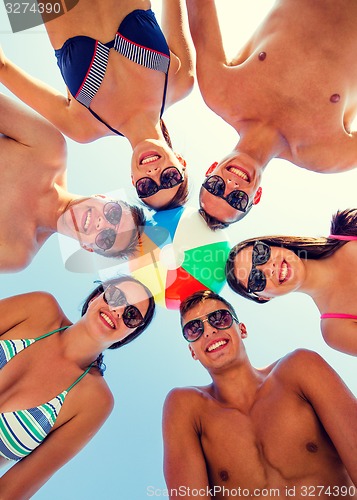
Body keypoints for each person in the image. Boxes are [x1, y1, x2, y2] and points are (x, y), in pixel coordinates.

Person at [0, 0, 195, 210]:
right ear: (181, 162)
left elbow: (4, 68)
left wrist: (23, 9)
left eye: (146, 187)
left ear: (133, 179)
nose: (154, 174)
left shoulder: (83, 127)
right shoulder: (181, 80)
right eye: (169, 178)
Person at [163, 290, 357, 499]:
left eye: (219, 318)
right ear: (192, 351)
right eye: (194, 329)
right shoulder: (186, 408)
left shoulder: (300, 368)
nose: (209, 331)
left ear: (242, 329)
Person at [184, 0, 357, 229]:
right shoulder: (324, 155)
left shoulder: (220, 93)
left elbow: (199, 9)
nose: (231, 184)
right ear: (256, 196)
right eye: (237, 199)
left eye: (216, 187)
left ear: (210, 170)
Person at [0, 275, 155, 498]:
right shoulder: (39, 309)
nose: (119, 311)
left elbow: (15, 489)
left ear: (128, 335)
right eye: (115, 296)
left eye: (132, 315)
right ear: (95, 297)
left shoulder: (95, 401)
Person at [0, 93, 146, 272]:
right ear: (102, 197)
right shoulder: (48, 149)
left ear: (88, 247)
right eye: (114, 214)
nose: (102, 224)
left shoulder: (17, 252)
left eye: (107, 238)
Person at [225, 209, 357, 356]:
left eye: (260, 254)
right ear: (264, 297)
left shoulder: (347, 227)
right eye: (256, 279)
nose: (269, 268)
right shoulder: (335, 330)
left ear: (273, 244)